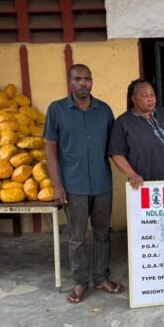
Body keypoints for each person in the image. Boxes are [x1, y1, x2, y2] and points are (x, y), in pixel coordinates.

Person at [44, 63, 123, 304]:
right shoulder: (57, 110)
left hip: (102, 183)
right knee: (77, 236)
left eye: (87, 79)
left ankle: (101, 278)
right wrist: (57, 184)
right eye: (77, 79)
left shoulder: (104, 110)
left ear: (92, 81)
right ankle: (80, 282)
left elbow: (115, 146)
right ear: (70, 82)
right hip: (73, 185)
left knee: (102, 234)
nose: (83, 83)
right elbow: (50, 150)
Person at [108, 79, 164, 188]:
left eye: (152, 94)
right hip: (145, 186)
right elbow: (117, 153)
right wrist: (132, 175)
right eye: (144, 95)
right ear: (133, 98)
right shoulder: (123, 122)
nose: (150, 98)